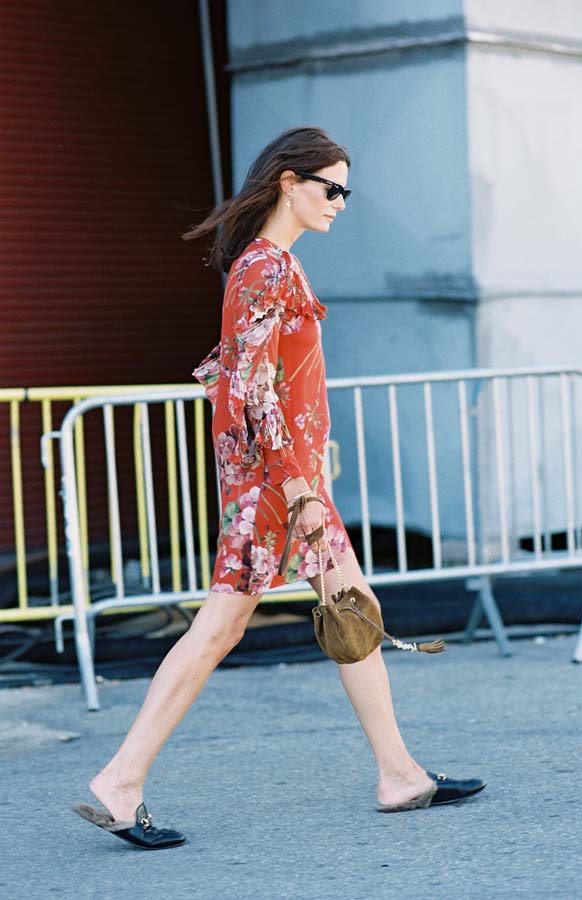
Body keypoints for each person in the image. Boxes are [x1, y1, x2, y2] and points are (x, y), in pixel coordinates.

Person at [73, 126, 485, 850]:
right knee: (220, 629)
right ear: (289, 182)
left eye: (347, 192)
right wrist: (297, 486)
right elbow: (253, 387)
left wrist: (303, 476)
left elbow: (252, 380)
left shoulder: (273, 265)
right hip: (277, 487)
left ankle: (399, 774)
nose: (341, 203)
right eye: (332, 188)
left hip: (287, 481)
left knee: (353, 608)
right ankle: (121, 778)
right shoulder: (263, 268)